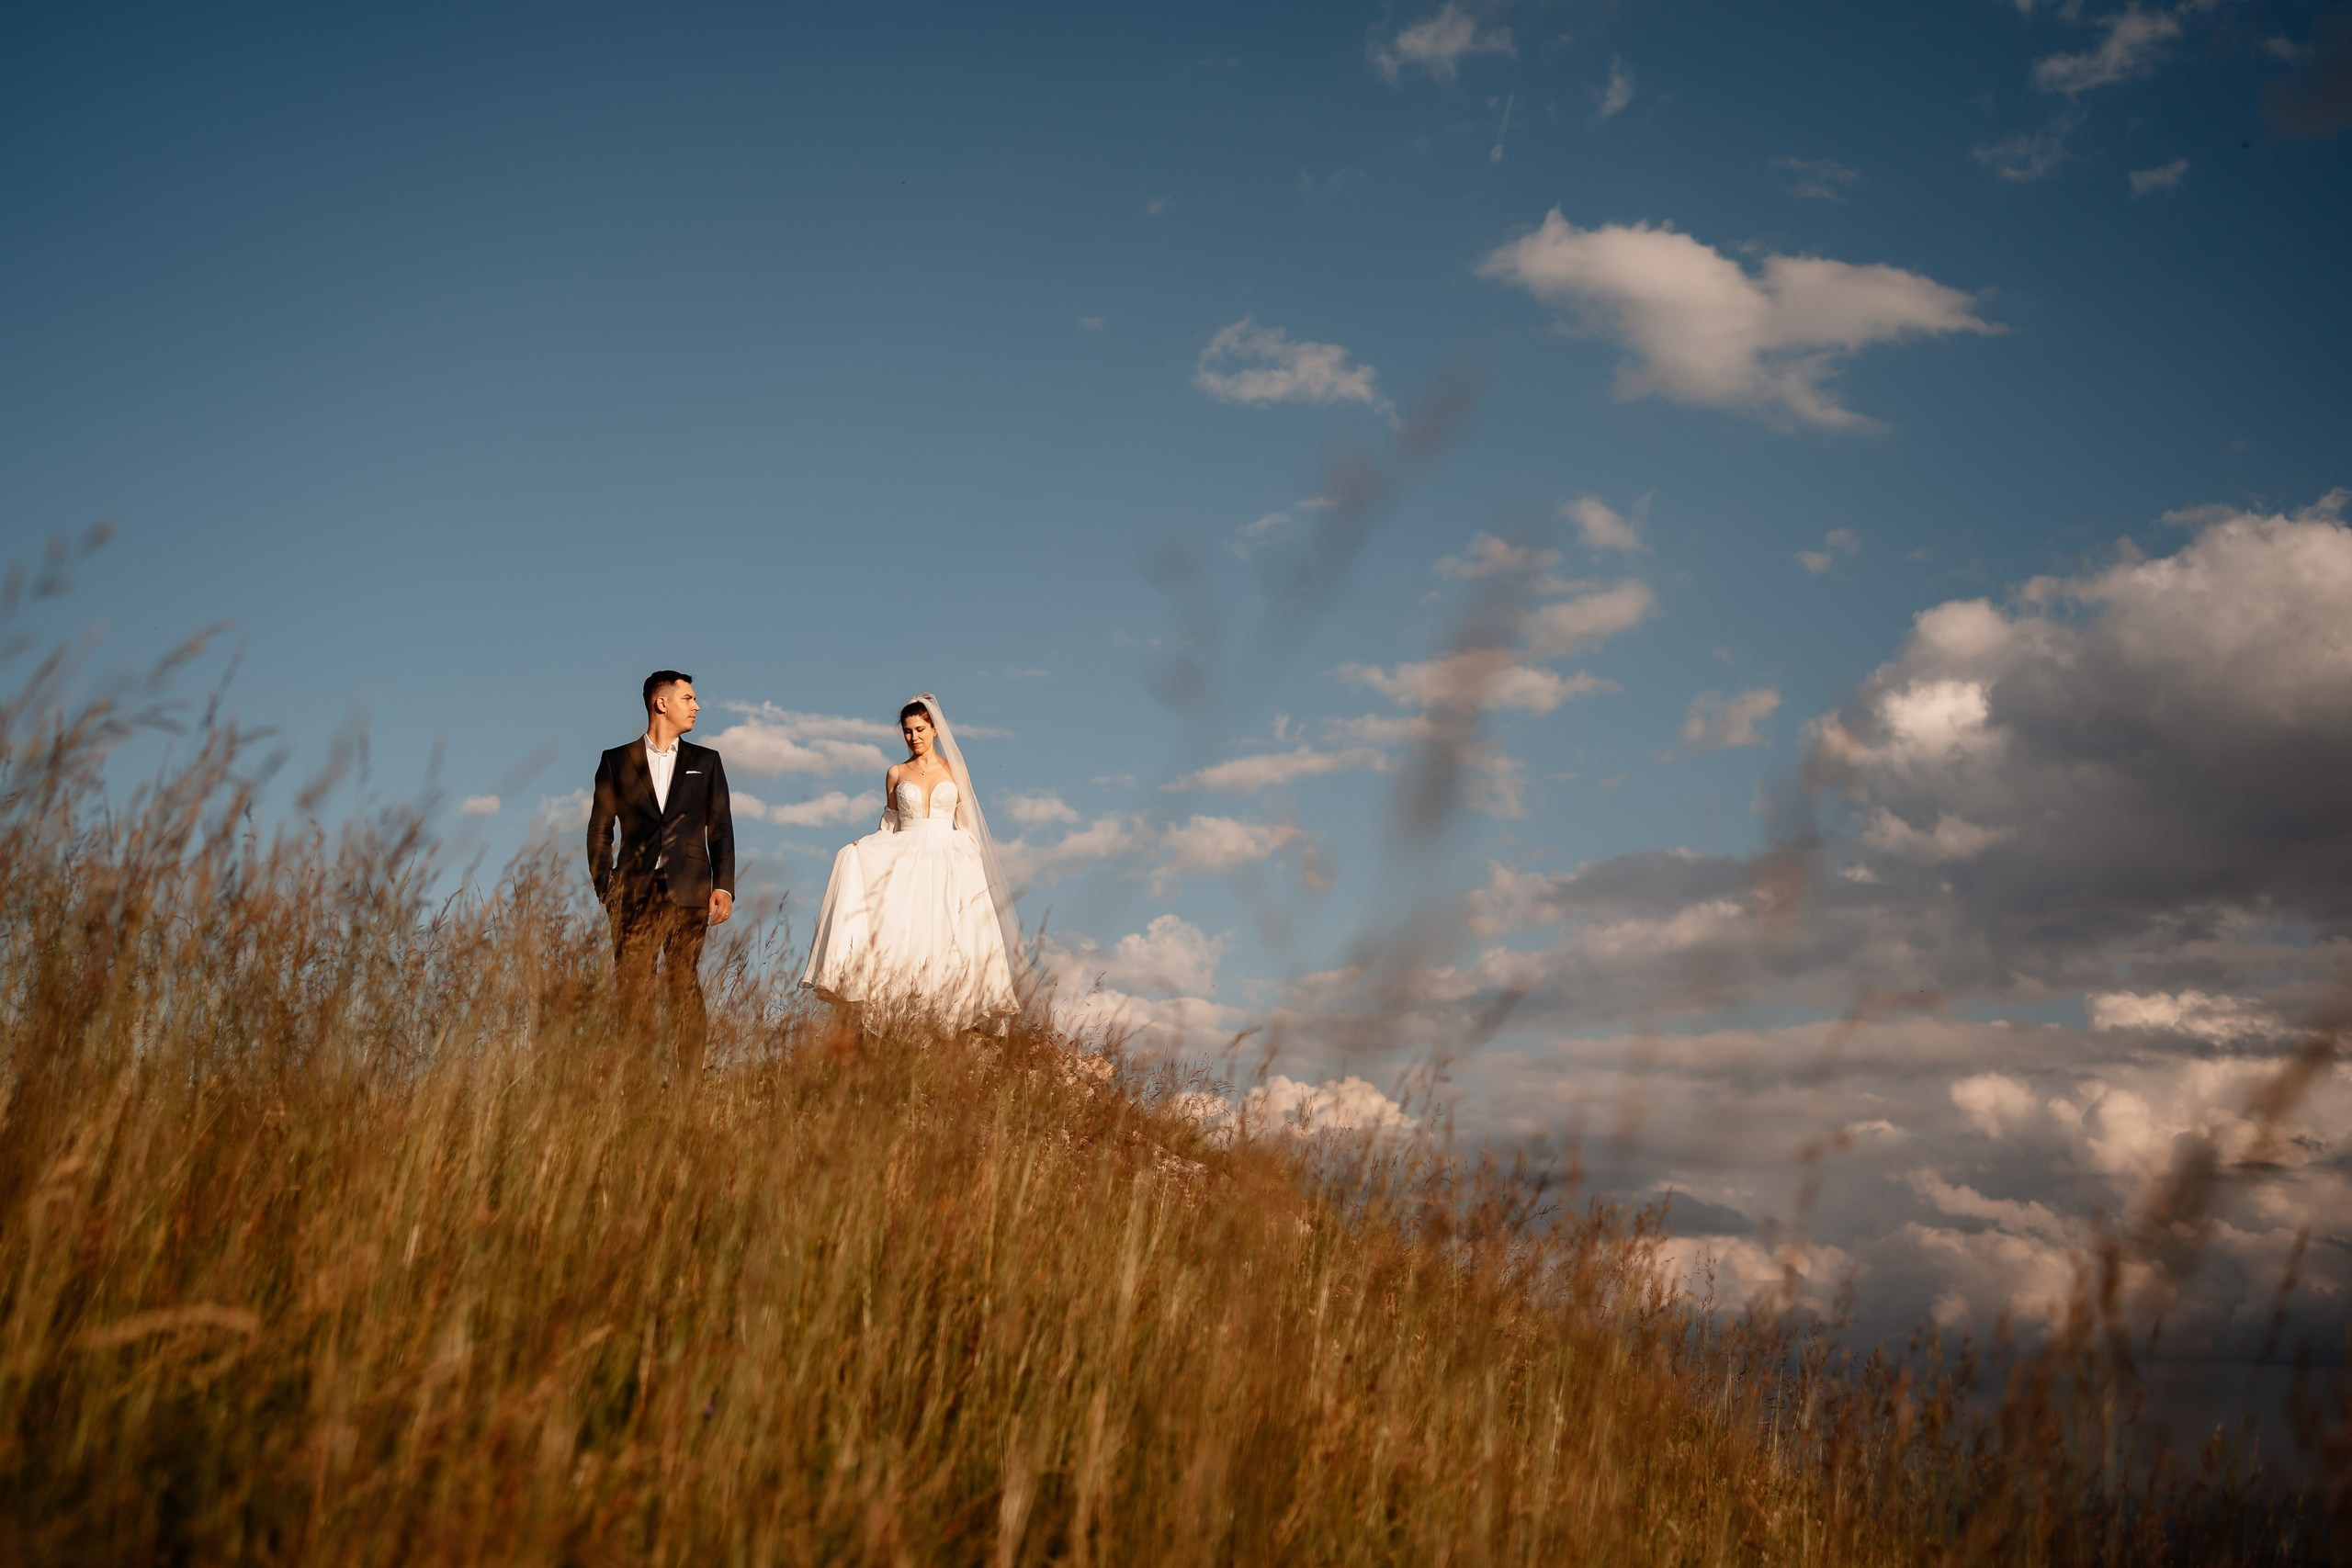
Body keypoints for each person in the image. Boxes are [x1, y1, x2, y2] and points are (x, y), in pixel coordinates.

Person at [800, 694, 1024, 1031]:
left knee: (949, 933)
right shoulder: (896, 772)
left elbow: (968, 823)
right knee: (904, 931)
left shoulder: (955, 771)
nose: (914, 737)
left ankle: (949, 1015)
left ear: (935, 730)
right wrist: (866, 847)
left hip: (948, 855)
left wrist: (966, 858)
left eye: (920, 729)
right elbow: (890, 824)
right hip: (906, 856)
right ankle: (904, 1015)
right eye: (907, 731)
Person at [585, 670, 735, 1073]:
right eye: (689, 698)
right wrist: (607, 887)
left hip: (689, 890)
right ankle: (638, 1093)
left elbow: (719, 829)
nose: (697, 706)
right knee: (632, 993)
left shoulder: (707, 761)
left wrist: (724, 886)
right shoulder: (616, 761)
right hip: (632, 893)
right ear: (661, 702)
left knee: (682, 983)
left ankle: (686, 1090)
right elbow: (600, 829)